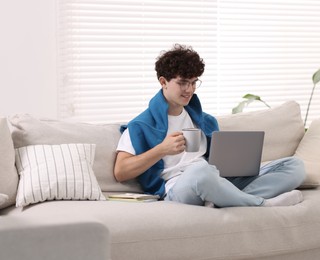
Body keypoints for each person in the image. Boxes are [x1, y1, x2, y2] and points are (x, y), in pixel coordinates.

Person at [114, 44, 305, 208]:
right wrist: (161, 149)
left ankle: (225, 197)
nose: (189, 89)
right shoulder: (140, 125)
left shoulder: (204, 120)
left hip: (215, 178)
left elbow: (218, 163)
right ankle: (260, 204)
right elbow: (121, 171)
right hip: (177, 188)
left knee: (294, 166)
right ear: (163, 82)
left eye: (193, 82)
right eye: (182, 83)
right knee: (200, 172)